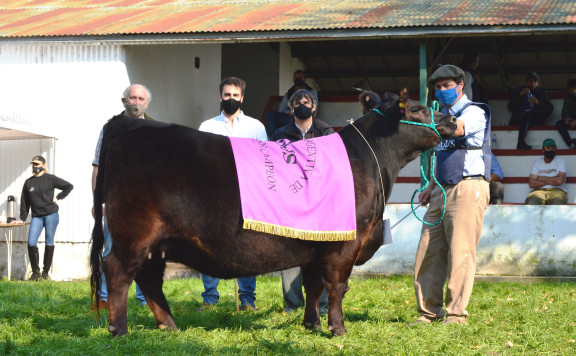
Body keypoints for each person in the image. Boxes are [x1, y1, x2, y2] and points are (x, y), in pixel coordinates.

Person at [412, 65, 491, 325]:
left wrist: (424, 116)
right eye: (438, 87)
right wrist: (431, 186)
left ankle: (456, 314)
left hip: (468, 187)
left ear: (461, 85)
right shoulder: (441, 114)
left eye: (447, 85)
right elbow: (441, 155)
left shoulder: (475, 112)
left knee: (460, 252)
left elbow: (457, 130)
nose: (442, 90)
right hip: (441, 189)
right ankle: (429, 312)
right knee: (429, 251)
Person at [198, 77, 267, 311]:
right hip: (214, 196)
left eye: (235, 96)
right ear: (220, 97)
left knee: (246, 246)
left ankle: (247, 299)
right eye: (227, 95)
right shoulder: (207, 126)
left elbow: (264, 161)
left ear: (242, 98)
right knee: (209, 246)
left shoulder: (256, 127)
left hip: (247, 194)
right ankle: (209, 298)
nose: (231, 99)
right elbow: (200, 162)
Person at [269, 89, 333, 315]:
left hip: (319, 203)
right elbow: (272, 166)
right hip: (290, 202)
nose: (302, 106)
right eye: (297, 103)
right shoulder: (279, 134)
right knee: (289, 251)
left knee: (322, 254)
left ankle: (322, 305)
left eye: (306, 102)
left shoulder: (326, 132)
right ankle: (292, 304)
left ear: (314, 107)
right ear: (290, 108)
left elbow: (331, 166)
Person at [91, 84, 152, 308]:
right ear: (123, 101)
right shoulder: (110, 129)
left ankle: (143, 297)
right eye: (132, 98)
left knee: (143, 251)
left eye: (140, 98)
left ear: (147, 103)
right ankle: (106, 297)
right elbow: (98, 167)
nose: (136, 102)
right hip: (115, 200)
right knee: (111, 249)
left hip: (145, 203)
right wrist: (98, 202)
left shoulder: (155, 130)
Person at [16, 155, 73, 281]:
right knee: (31, 243)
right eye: (33, 164)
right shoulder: (28, 182)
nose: (35, 166)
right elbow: (25, 202)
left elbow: (69, 186)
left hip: (51, 214)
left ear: (43, 165)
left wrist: (58, 197)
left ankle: (45, 273)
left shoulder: (50, 178)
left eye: (37, 164)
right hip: (37, 216)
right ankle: (35, 272)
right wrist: (23, 218)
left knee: (49, 242)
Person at [264, 70, 319, 137]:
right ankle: (275, 140)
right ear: (293, 79)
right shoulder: (289, 93)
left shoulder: (311, 92)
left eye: (300, 77)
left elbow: (314, 110)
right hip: (290, 118)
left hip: (303, 120)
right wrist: (289, 112)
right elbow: (281, 110)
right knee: (269, 114)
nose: (298, 79)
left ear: (305, 79)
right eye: (296, 77)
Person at [508, 72, 554, 150]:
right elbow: (510, 107)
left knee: (530, 115)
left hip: (534, 117)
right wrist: (520, 95)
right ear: (526, 82)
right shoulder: (520, 91)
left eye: (535, 81)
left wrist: (537, 103)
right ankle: (521, 143)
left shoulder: (541, 92)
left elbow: (549, 108)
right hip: (520, 117)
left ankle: (520, 143)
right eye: (530, 81)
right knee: (526, 116)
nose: (532, 83)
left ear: (538, 83)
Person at [525, 138, 568, 205]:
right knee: (531, 204)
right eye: (548, 148)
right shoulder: (537, 163)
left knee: (558, 205)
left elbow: (559, 181)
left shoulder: (560, 162)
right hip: (538, 192)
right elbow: (532, 183)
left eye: (553, 148)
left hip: (557, 191)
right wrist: (553, 178)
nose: (551, 150)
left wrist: (541, 178)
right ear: (543, 150)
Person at [554, 79, 576, 149]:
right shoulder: (568, 96)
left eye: (575, 89)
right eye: (571, 90)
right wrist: (566, 118)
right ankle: (571, 144)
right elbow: (565, 111)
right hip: (572, 118)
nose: (573, 91)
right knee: (559, 124)